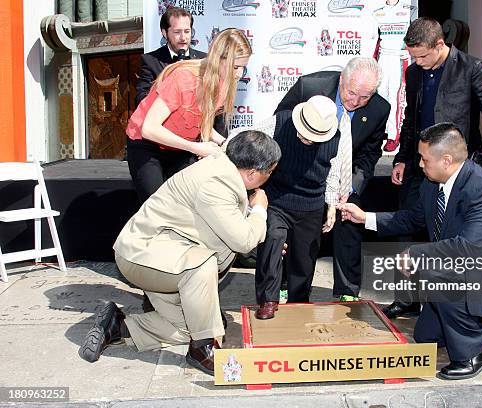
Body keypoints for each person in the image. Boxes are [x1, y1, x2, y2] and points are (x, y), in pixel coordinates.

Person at [78, 131, 282, 376]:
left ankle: (118, 326)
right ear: (252, 173)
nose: (269, 178)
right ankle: (202, 350)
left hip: (170, 255)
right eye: (269, 172)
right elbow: (244, 241)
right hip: (145, 256)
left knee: (194, 328)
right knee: (203, 266)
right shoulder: (217, 183)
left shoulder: (224, 169)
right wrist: (259, 209)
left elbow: (230, 229)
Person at [339, 123, 482, 380]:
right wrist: (365, 218)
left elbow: (468, 248)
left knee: (435, 274)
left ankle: (475, 352)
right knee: (425, 336)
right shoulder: (433, 183)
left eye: (424, 158)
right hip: (468, 266)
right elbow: (412, 219)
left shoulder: (481, 189)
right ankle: (479, 324)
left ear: (446, 160)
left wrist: (415, 255)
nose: (419, 164)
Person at [385, 17, 482, 319]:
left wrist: (477, 164)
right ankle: (409, 298)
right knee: (408, 231)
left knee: (454, 238)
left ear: (440, 44)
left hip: (456, 170)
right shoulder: (415, 73)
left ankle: (457, 305)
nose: (418, 62)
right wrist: (402, 158)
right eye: (413, 56)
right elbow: (410, 120)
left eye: (423, 55)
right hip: (419, 166)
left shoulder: (471, 68)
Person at [275, 57, 391, 302]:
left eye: (364, 97)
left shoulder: (380, 108)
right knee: (296, 235)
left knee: (350, 222)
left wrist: (351, 187)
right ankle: (285, 284)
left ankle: (347, 292)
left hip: (345, 174)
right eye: (351, 93)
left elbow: (370, 153)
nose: (355, 102)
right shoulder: (309, 88)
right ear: (342, 79)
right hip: (303, 169)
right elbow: (281, 125)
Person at [232, 95, 349, 319]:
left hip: (312, 204)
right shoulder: (280, 122)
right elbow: (244, 138)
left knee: (304, 258)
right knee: (272, 244)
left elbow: (333, 169)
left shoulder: (336, 135)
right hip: (276, 199)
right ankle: (268, 299)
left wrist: (331, 204)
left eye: (315, 136)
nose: (308, 139)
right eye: (305, 133)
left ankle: (299, 302)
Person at [126, 28, 251, 204]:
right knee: (156, 206)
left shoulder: (224, 84)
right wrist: (194, 147)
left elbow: (202, 123)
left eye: (243, 67)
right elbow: (149, 129)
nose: (239, 74)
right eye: (235, 67)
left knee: (185, 203)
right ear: (218, 59)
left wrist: (224, 144)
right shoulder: (183, 78)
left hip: (180, 146)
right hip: (146, 144)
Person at [371, 0, 418, 152]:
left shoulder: (409, 9)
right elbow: (376, 39)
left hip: (399, 57)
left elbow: (416, 35)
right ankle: (380, 132)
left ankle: (394, 135)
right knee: (381, 96)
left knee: (396, 98)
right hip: (383, 58)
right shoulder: (377, 11)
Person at [135, 7, 206, 106]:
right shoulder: (151, 61)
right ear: (165, 33)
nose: (183, 37)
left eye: (187, 31)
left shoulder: (204, 60)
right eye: (177, 32)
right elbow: (141, 98)